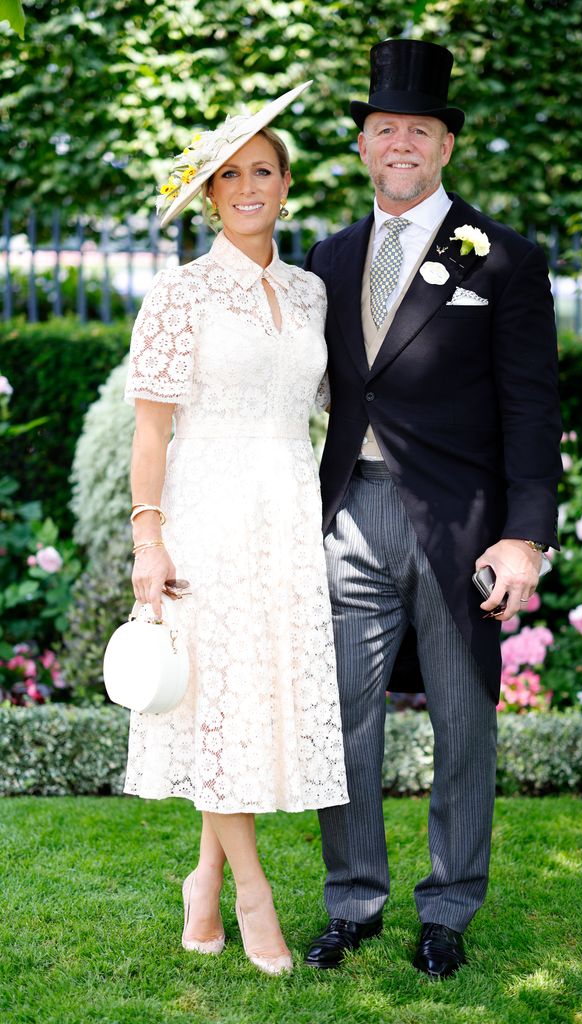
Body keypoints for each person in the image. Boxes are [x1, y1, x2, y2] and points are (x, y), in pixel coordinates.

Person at [304, 40, 562, 978]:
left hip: (461, 528)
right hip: (349, 516)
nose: (401, 142)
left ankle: (448, 907)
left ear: (445, 146)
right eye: (384, 129)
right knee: (343, 720)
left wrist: (525, 536)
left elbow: (533, 409)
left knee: (463, 721)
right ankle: (354, 900)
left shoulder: (503, 259)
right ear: (365, 148)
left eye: (420, 128)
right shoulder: (327, 259)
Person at [122, 81, 348, 976]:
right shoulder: (179, 296)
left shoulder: (311, 291)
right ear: (212, 194)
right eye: (231, 175)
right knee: (214, 704)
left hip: (288, 513)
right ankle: (252, 894)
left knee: (249, 701)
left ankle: (203, 881)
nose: (249, 186)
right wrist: (150, 537)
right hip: (206, 516)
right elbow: (152, 427)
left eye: (264, 170)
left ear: (285, 185)